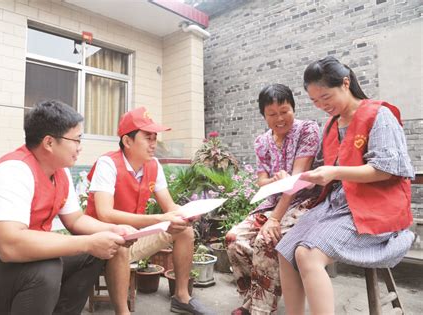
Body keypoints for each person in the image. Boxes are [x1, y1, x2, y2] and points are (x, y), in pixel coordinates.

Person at [0, 100, 132, 315]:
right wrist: (88, 242)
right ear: (49, 143)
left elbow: (76, 220)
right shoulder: (13, 172)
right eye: (76, 139)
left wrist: (113, 230)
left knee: (96, 253)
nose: (80, 147)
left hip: (12, 265)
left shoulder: (59, 171)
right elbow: (10, 246)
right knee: (45, 268)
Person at [276, 56, 415, 314]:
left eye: (326, 98)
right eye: (315, 101)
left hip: (374, 210)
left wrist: (335, 171)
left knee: (307, 255)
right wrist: (293, 179)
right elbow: (321, 172)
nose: (321, 106)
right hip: (338, 207)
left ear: (346, 83)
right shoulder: (330, 126)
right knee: (285, 251)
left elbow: (388, 168)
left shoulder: (379, 115)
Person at [85, 106, 214, 315]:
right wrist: (160, 218)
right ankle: (122, 311)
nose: (154, 144)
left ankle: (181, 297)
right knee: (121, 244)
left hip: (135, 237)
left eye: (155, 138)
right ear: (127, 141)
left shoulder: (153, 165)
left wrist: (185, 213)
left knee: (184, 230)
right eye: (148, 138)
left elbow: (169, 206)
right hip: (102, 240)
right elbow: (105, 214)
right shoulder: (107, 164)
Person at [226, 84, 320, 315]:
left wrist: (274, 219)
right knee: (233, 239)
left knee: (266, 241)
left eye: (285, 111)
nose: (280, 118)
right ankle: (252, 298)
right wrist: (276, 180)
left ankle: (261, 310)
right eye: (272, 114)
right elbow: (262, 182)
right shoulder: (262, 142)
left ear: (294, 109)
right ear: (264, 116)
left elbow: (297, 182)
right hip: (274, 202)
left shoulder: (308, 130)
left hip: (305, 202)